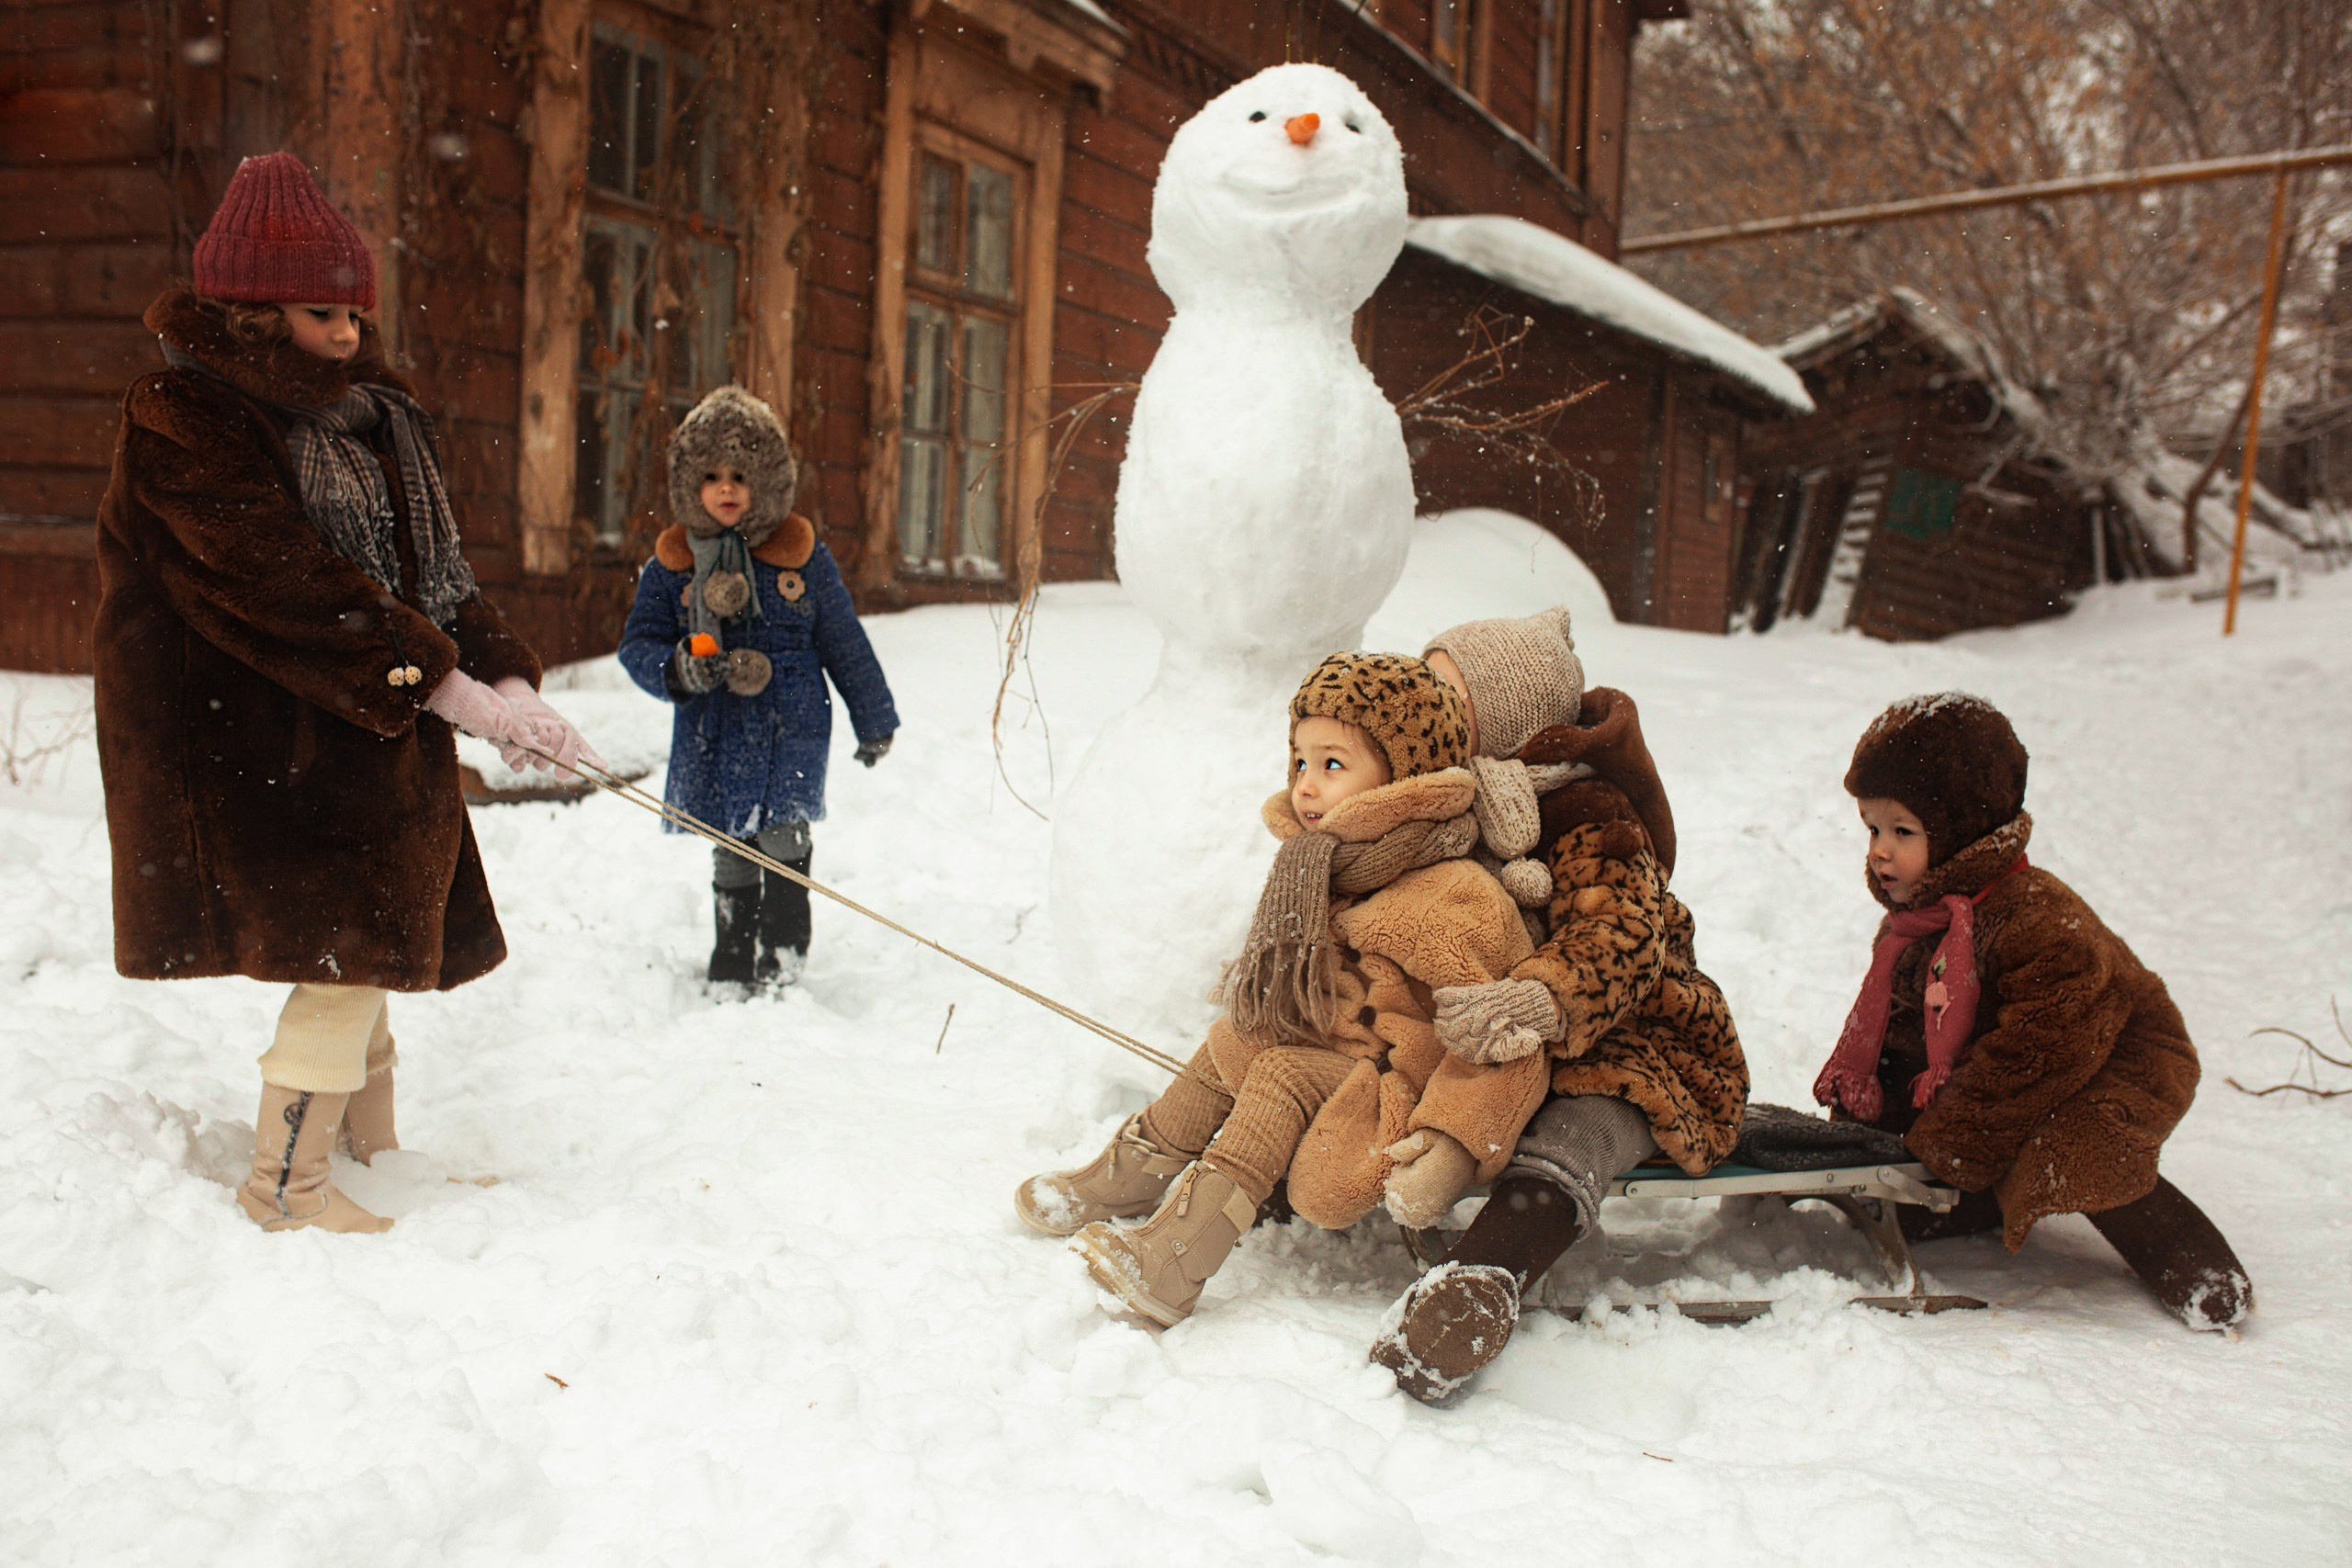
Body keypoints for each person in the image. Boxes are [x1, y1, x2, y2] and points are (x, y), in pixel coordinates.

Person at [93, 152, 594, 1234]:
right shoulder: (186, 415)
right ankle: (287, 1185)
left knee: (369, 941)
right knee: (343, 947)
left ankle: (373, 1153)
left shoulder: (376, 415)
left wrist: (505, 676)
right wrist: (443, 686)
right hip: (243, 736)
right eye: (323, 312)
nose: (349, 334)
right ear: (254, 313)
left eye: (356, 312)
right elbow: (276, 581)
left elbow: (431, 577)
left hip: (358, 720)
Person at [1019, 653, 1552, 1327]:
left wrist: (1451, 1145)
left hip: (1398, 1101)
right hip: (1345, 1064)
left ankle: (1176, 1260)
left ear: (1405, 775)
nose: (1306, 785)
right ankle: (1135, 1175)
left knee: (1280, 1070)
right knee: (1243, 1033)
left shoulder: (1452, 895)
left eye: (1333, 764)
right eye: (1301, 762)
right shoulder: (1324, 864)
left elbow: (1503, 1044)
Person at [1368, 608, 1748, 1402]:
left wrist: (1542, 999)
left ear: (1509, 716)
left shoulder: (1591, 814)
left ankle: (1483, 1277)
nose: (1421, 707)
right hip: (1507, 1029)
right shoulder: (1456, 801)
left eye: (1444, 694)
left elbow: (1624, 935)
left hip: (1640, 1036)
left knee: (1578, 1120)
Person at [1810, 694, 2251, 1329]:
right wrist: (1869, 1135)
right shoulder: (1916, 927)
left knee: (2070, 1151)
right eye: (1872, 828)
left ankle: (2198, 1267)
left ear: (1961, 829)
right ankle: (1975, 1200)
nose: (1880, 850)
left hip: (2115, 1059)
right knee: (1928, 1159)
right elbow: (1901, 1031)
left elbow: (2043, 1051)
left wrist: (1949, 1145)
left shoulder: (2037, 917)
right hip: (2010, 1063)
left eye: (1903, 831)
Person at [617, 387, 898, 990]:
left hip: (790, 721)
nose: (725, 488)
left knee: (784, 834)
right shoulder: (674, 565)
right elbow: (637, 641)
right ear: (690, 482)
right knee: (732, 839)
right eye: (712, 475)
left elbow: (844, 639)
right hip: (716, 725)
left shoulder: (802, 558)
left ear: (766, 481)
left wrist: (874, 718)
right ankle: (732, 951)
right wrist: (675, 668)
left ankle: (784, 950)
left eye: (740, 475)